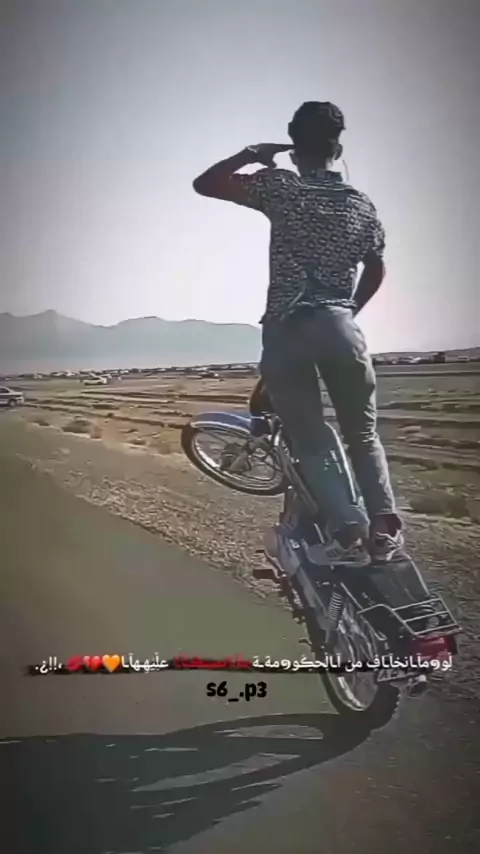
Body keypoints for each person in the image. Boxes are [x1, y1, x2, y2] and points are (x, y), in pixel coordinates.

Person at [192, 101, 404, 566]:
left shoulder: (281, 186)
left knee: (311, 438)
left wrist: (251, 153)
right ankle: (385, 532)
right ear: (338, 149)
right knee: (363, 434)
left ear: (293, 148)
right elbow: (376, 268)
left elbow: (205, 184)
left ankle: (348, 533)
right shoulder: (361, 204)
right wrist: (348, 311)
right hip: (340, 326)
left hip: (288, 329)